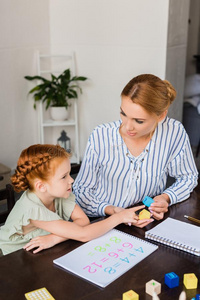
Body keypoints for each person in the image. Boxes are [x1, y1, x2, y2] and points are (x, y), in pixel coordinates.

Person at [73, 74, 198, 221]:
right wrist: (113, 211)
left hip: (145, 220)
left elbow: (188, 177)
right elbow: (81, 191)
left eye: (139, 121)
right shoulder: (101, 135)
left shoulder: (174, 132)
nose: (127, 127)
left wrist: (166, 198)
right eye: (123, 114)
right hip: (101, 219)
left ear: (161, 116)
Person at [0, 144, 146, 256]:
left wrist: (55, 238)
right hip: (13, 258)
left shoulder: (59, 192)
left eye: (69, 174)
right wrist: (118, 217)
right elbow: (84, 234)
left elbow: (83, 222)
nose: (71, 180)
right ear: (41, 186)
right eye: (64, 177)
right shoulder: (32, 210)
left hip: (41, 250)